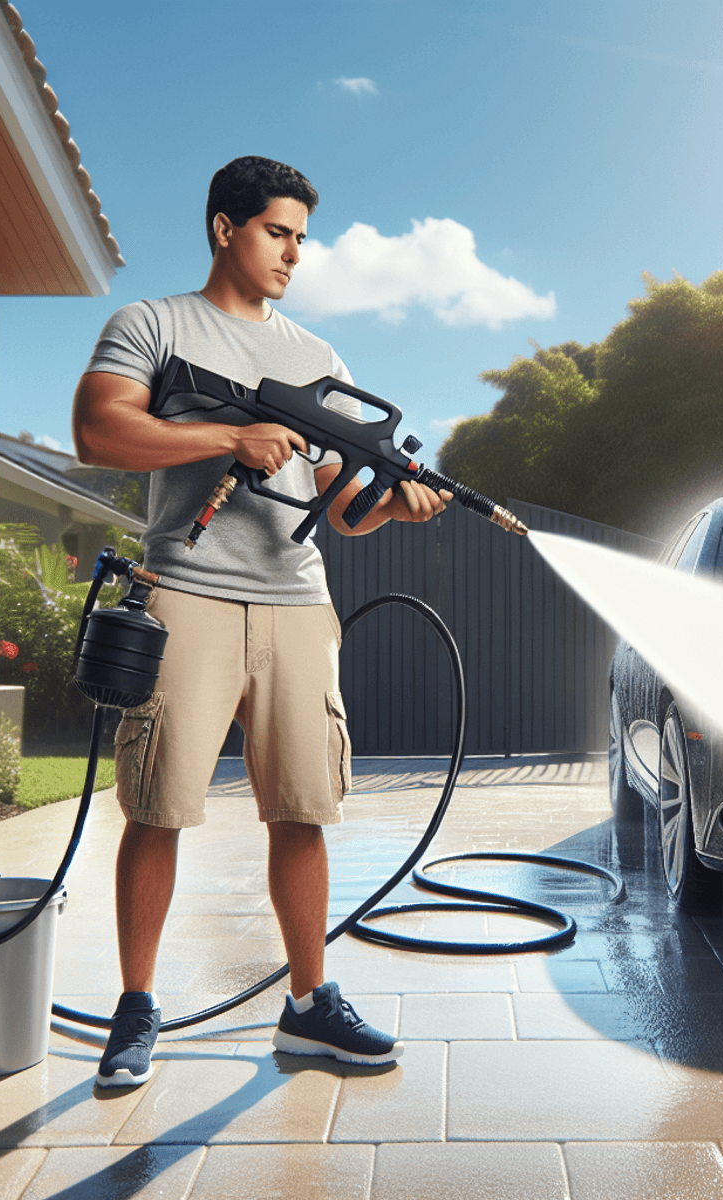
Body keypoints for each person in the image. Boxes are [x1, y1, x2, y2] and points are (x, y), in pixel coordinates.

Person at [72, 156, 448, 1088]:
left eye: (301, 240)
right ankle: (135, 1006)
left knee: (305, 810)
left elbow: (337, 503)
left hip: (296, 602)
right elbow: (98, 431)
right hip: (187, 589)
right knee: (158, 806)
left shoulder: (319, 358)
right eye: (278, 233)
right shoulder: (154, 325)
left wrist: (394, 506)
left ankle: (309, 1006)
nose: (293, 255)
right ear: (224, 228)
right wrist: (225, 435)